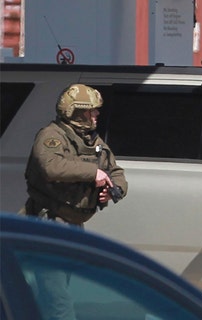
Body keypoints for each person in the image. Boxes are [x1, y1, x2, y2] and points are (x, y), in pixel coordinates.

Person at [23, 83, 128, 320]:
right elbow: (52, 167)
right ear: (77, 112)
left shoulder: (93, 141)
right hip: (48, 225)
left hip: (72, 225)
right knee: (57, 299)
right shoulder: (51, 136)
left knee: (57, 293)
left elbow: (117, 172)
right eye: (91, 110)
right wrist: (93, 173)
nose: (96, 115)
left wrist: (113, 190)